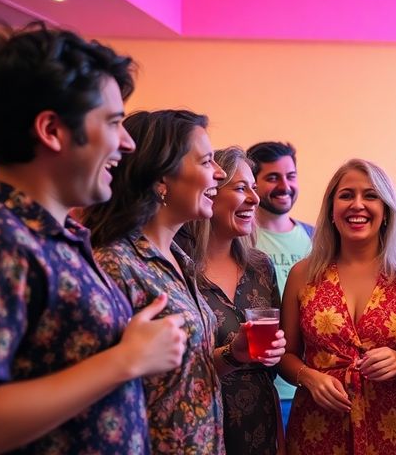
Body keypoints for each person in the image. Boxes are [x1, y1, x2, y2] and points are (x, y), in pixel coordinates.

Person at [0, 22, 185, 453]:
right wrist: (125, 360)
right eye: (114, 122)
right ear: (52, 130)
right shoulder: (0, 238)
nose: (128, 143)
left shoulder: (59, 234)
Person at [82, 110, 286, 454]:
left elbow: (189, 372)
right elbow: (98, 391)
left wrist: (233, 355)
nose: (218, 174)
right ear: (162, 180)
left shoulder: (180, 260)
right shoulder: (116, 264)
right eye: (207, 162)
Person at [279, 159, 396, 454]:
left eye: (370, 195)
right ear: (332, 210)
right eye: (346, 195)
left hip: (395, 430)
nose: (357, 205)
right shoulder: (303, 274)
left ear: (386, 210)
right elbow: (285, 356)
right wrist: (308, 377)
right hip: (318, 427)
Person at [178, 146, 284, 454]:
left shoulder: (260, 266)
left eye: (254, 187)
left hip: (260, 426)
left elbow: (268, 371)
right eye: (241, 188)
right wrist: (233, 354)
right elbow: (176, 372)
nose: (254, 198)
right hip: (200, 426)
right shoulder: (178, 266)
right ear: (209, 193)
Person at [247, 140, 315, 425]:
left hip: (310, 386)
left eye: (290, 176)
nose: (284, 186)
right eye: (272, 178)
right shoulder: (243, 240)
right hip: (261, 385)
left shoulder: (317, 239)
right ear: (254, 183)